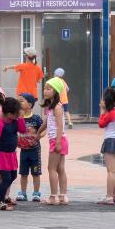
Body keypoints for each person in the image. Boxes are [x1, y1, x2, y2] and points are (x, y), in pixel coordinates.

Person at [0, 96, 26, 211]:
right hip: (1, 155)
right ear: (9, 114)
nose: (18, 115)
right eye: (17, 114)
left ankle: (1, 195)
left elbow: (23, 130)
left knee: (13, 176)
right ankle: (0, 202)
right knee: (6, 178)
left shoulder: (15, 121)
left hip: (11, 155)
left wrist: (21, 118)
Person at [43, 77, 70, 205]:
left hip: (57, 140)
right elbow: (47, 122)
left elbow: (60, 126)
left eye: (48, 89)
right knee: (60, 168)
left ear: (56, 92)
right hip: (58, 140)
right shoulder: (50, 107)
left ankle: (54, 197)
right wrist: (38, 133)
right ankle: (63, 196)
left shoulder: (58, 107)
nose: (45, 91)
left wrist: (57, 143)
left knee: (51, 168)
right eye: (45, 88)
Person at [16, 92, 44, 202]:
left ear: (30, 104)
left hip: (34, 150)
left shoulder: (36, 118)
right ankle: (23, 192)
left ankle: (36, 193)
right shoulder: (18, 118)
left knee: (36, 173)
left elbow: (44, 128)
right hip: (24, 150)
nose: (19, 103)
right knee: (23, 173)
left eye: (21, 101)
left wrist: (39, 136)